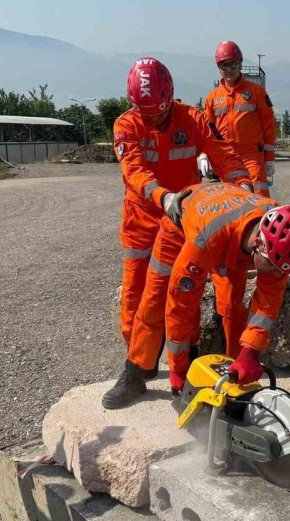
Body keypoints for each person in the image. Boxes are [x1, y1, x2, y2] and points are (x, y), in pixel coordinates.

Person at [102, 182, 290, 407]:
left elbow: (266, 306)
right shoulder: (205, 241)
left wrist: (250, 352)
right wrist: (178, 372)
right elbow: (179, 308)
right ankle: (135, 373)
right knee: (154, 302)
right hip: (180, 231)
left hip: (231, 236)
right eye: (273, 267)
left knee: (232, 308)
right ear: (258, 243)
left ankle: (234, 378)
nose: (276, 274)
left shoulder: (279, 244)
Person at [111, 57, 253, 362]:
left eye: (160, 115)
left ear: (169, 96)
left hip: (180, 222)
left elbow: (222, 154)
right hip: (143, 221)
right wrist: (163, 197)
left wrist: (242, 185)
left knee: (184, 292)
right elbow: (134, 171)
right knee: (136, 299)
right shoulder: (125, 125)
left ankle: (184, 360)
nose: (154, 122)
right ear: (133, 103)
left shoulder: (193, 119)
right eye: (145, 114)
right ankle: (138, 367)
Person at [204, 40, 277, 198]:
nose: (229, 70)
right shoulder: (212, 98)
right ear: (218, 68)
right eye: (224, 66)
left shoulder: (257, 92)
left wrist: (269, 159)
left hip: (252, 158)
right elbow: (207, 131)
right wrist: (204, 155)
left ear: (240, 63)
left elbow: (269, 126)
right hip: (227, 160)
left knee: (259, 201)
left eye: (233, 64)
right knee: (232, 204)